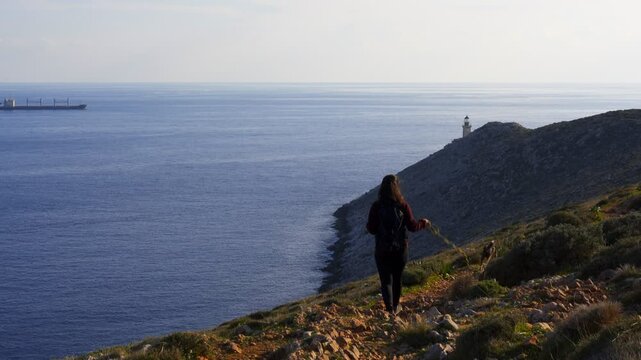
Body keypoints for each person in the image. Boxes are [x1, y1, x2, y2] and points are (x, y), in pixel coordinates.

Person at [366, 174, 430, 316]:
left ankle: (389, 310)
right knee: (397, 278)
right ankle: (396, 306)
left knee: (385, 280)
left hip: (382, 249)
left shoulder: (376, 206)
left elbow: (371, 229)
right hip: (400, 249)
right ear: (397, 187)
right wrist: (423, 223)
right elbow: (413, 226)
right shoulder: (403, 205)